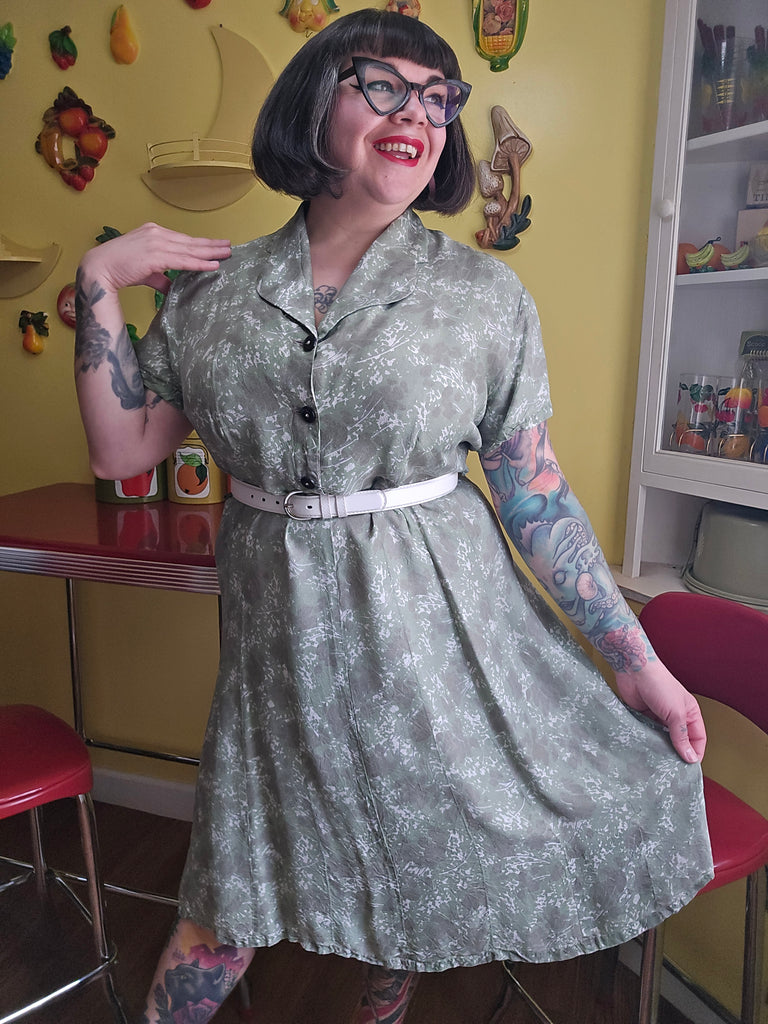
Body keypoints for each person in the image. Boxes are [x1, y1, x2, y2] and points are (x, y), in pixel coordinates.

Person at [73, 11, 713, 1024]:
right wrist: (101, 281)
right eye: (382, 85)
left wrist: (638, 665)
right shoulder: (213, 295)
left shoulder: (483, 295)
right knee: (231, 890)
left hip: (440, 640)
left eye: (438, 97)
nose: (416, 112)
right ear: (312, 104)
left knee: (411, 867)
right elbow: (122, 451)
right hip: (277, 653)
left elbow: (534, 493)